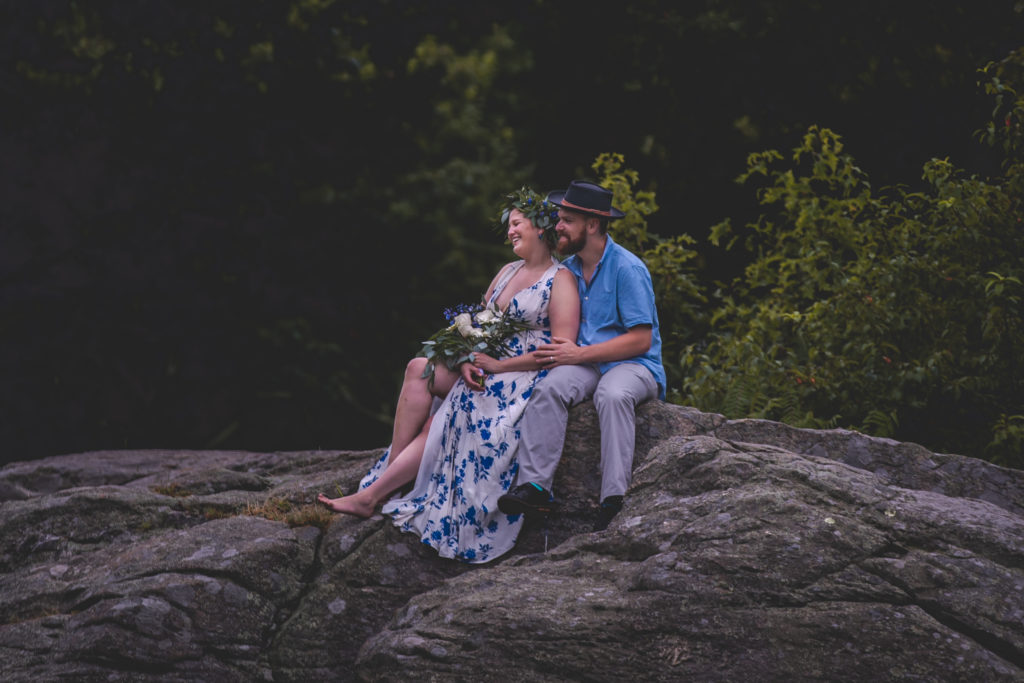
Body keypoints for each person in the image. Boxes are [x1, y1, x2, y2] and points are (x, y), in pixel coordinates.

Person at [318, 187, 579, 563]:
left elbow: (561, 348)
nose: (510, 232)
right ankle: (393, 472)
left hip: (520, 375)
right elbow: (475, 322)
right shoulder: (507, 272)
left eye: (517, 224)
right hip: (484, 366)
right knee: (418, 369)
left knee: (454, 409)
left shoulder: (561, 280)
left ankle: (372, 496)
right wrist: (463, 360)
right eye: (509, 226)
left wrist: (498, 366)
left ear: (541, 227)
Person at [497, 179, 666, 532]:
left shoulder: (627, 268)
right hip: (585, 363)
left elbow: (640, 340)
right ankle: (536, 487)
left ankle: (613, 500)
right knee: (549, 388)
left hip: (633, 365)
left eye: (566, 220)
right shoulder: (568, 269)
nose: (557, 226)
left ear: (592, 225)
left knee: (613, 394)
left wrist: (579, 353)